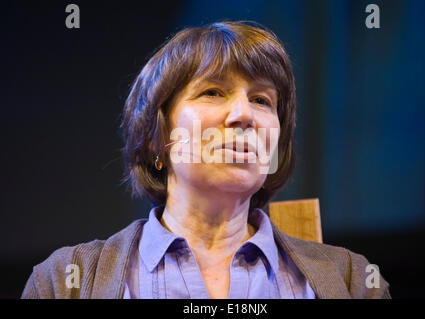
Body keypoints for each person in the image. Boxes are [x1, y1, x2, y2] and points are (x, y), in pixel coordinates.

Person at [21, 21, 390, 299]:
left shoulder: (351, 280)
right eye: (213, 92)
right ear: (157, 137)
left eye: (262, 100)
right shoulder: (66, 281)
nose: (244, 114)